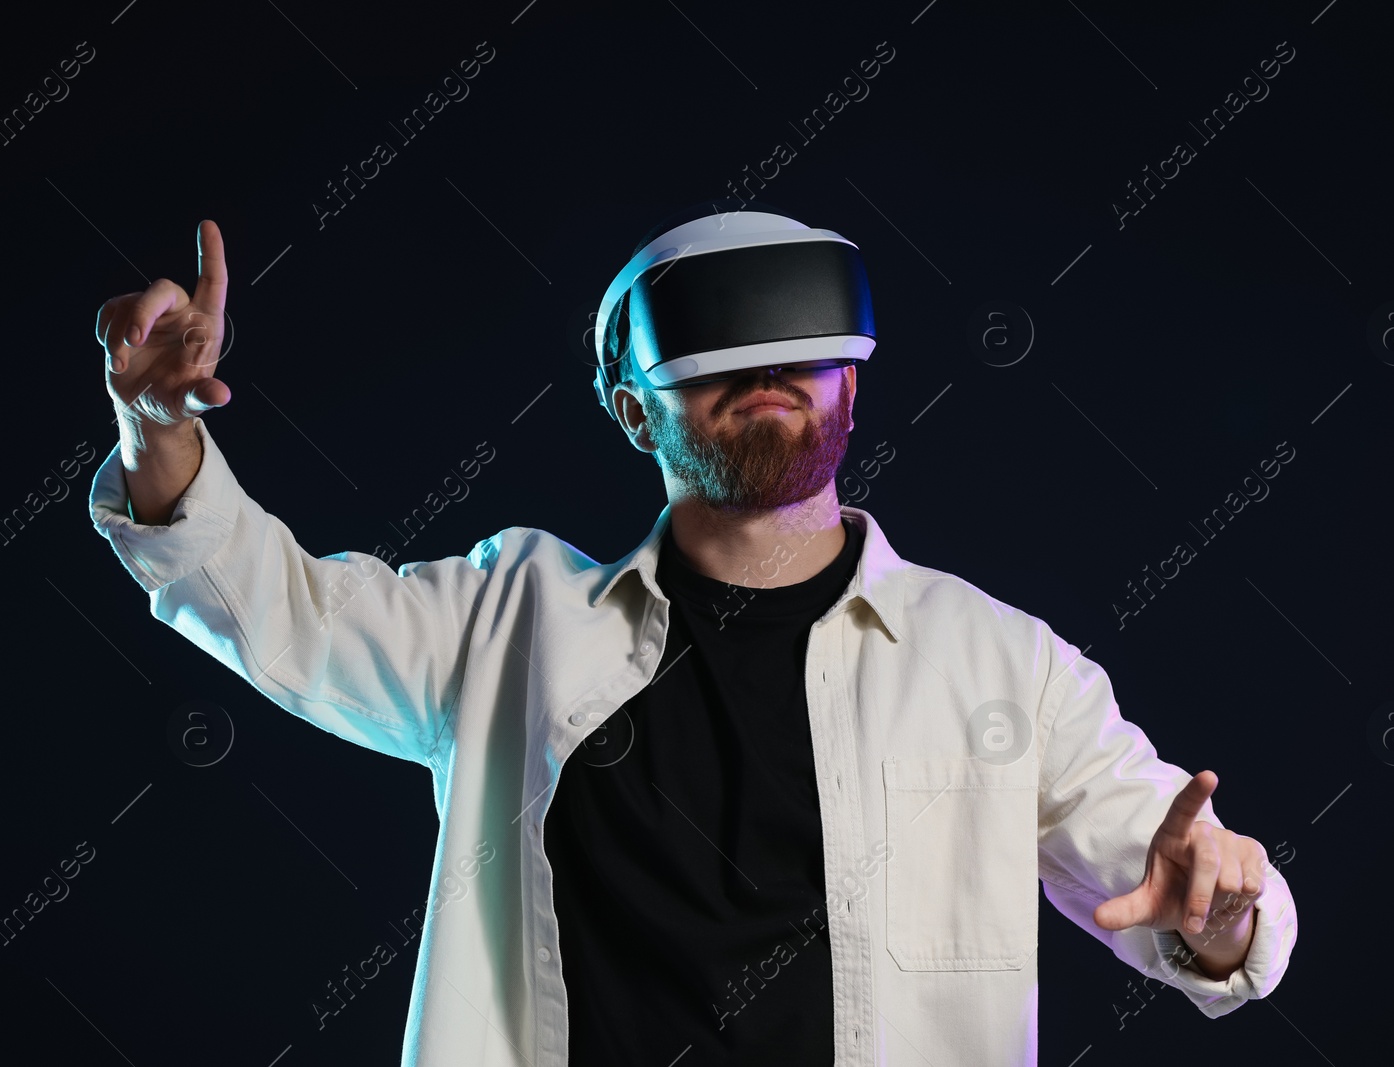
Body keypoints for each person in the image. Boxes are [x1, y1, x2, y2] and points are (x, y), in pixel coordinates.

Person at [90, 205, 1297, 1067]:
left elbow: (1198, 894)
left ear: (854, 384)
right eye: (716, 349)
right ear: (630, 407)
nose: (765, 369)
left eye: (798, 343)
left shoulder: (1000, 661)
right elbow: (272, 606)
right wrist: (155, 428)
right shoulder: (506, 619)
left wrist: (1223, 910)